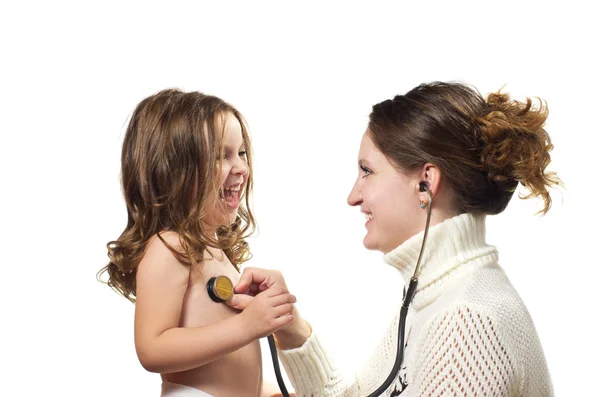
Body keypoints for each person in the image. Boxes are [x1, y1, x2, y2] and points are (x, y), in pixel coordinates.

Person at [228, 82, 559, 396]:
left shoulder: (464, 321)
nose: (353, 197)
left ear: (425, 183)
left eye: (367, 171)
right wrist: (289, 326)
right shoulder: (438, 296)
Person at [97, 88, 297, 397]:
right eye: (221, 155)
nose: (242, 168)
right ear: (172, 172)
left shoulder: (216, 251)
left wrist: (265, 391)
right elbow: (152, 348)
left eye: (241, 153)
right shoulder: (169, 247)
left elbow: (226, 369)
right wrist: (246, 327)